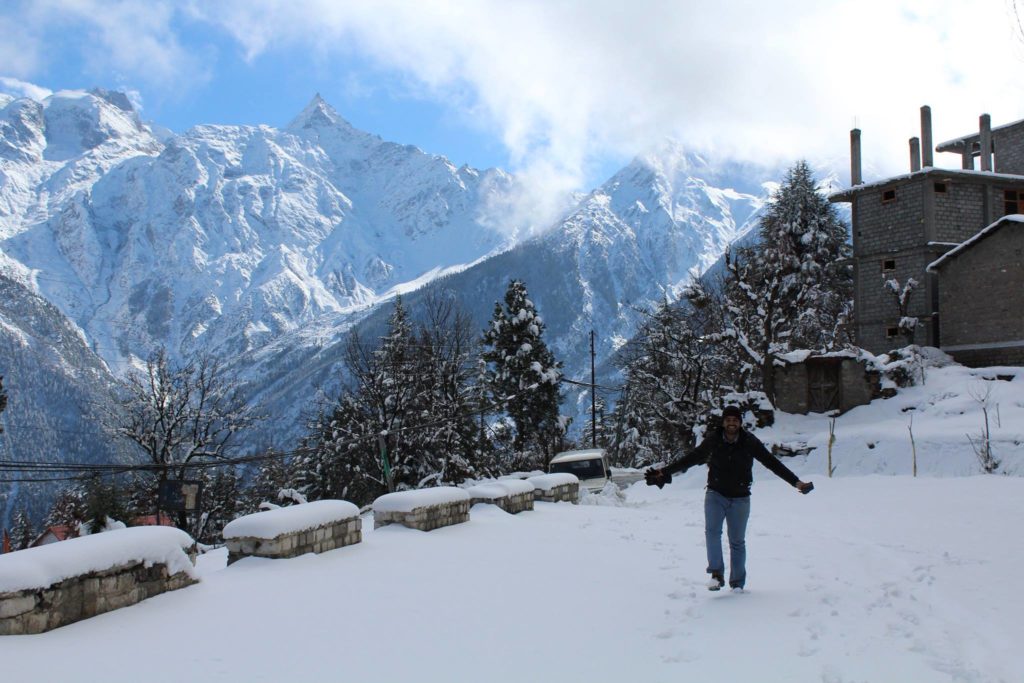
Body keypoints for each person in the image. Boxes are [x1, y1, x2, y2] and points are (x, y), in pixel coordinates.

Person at [645, 405, 813, 592]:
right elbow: (692, 458)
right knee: (712, 533)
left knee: (737, 541)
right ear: (723, 422)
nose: (731, 423)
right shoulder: (714, 439)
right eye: (728, 420)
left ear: (740, 423)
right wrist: (665, 472)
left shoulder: (749, 441)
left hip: (741, 498)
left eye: (735, 420)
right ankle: (716, 574)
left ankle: (737, 583)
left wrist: (796, 482)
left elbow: (772, 463)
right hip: (715, 494)